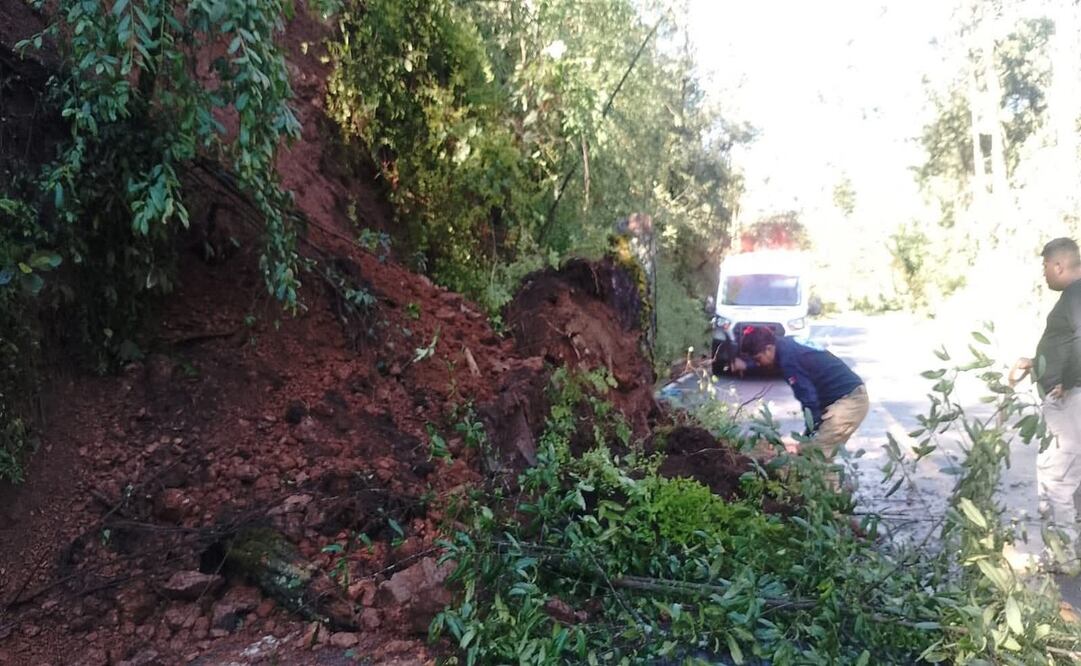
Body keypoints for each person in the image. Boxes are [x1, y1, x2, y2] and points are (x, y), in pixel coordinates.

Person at [1010, 237, 1081, 569]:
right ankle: (1066, 548)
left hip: (1070, 401)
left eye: (1044, 267)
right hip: (1067, 396)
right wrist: (1035, 361)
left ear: (1058, 265)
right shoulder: (1072, 297)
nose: (1043, 274)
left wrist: (1066, 382)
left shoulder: (1076, 296)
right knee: (1067, 476)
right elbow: (1065, 342)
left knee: (1057, 476)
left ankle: (1062, 554)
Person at [735, 327, 868, 459]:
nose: (758, 363)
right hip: (844, 398)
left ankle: (825, 480)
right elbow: (773, 366)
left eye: (758, 359)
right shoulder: (785, 346)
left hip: (849, 402)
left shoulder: (788, 359)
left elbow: (808, 399)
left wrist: (810, 432)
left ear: (769, 349)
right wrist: (748, 366)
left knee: (817, 458)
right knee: (807, 452)